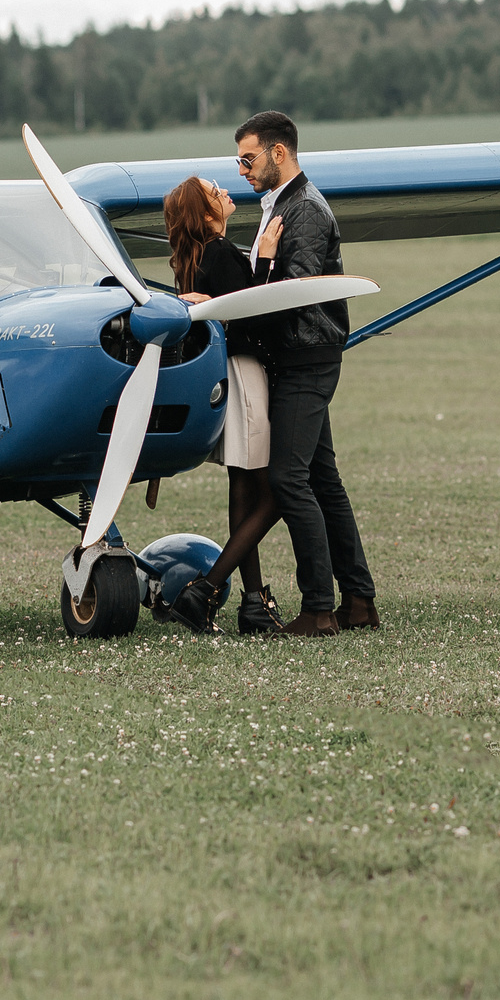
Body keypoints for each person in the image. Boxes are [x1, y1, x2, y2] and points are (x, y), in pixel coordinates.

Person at [184, 109, 377, 637]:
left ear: (278, 153)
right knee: (322, 480)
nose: (241, 170)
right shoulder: (281, 205)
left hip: (305, 359)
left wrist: (228, 299)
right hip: (297, 356)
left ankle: (318, 609)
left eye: (247, 159)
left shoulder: (306, 210)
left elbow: (286, 297)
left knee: (289, 480)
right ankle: (358, 601)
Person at [158, 174, 283, 635]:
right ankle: (207, 588)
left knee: (243, 485)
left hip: (219, 377)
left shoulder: (191, 262)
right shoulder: (222, 254)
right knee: (278, 490)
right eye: (216, 193)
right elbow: (257, 314)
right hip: (245, 374)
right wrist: (267, 259)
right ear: (207, 214)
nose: (226, 192)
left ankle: (253, 602)